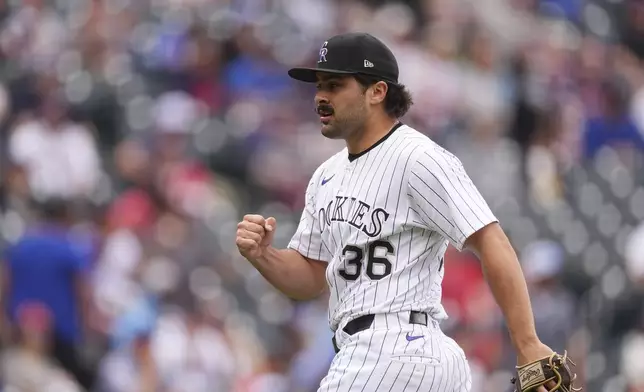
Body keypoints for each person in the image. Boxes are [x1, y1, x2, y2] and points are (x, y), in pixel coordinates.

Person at [235, 32, 559, 391]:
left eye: (335, 85)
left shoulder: (416, 157)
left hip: (391, 349)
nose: (321, 97)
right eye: (319, 86)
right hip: (401, 358)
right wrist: (264, 256)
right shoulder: (325, 177)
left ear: (377, 91)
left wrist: (527, 343)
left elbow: (491, 240)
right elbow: (310, 276)